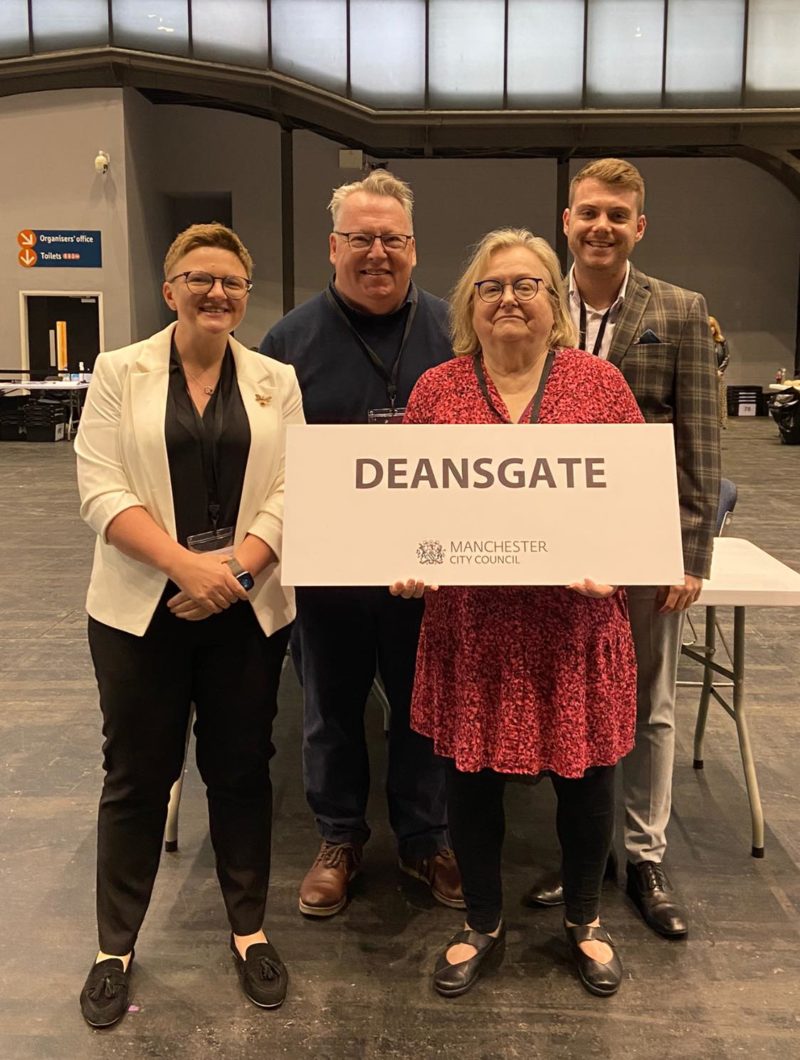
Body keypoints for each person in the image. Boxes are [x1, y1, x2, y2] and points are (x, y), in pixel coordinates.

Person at [392, 228, 644, 998]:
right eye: (492, 286)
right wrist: (405, 562)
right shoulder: (436, 390)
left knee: (587, 786)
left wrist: (619, 571)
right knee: (468, 786)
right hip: (472, 631)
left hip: (574, 632)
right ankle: (483, 921)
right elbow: (404, 509)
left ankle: (585, 922)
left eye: (527, 285)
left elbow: (635, 508)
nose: (509, 298)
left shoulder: (600, 385)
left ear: (553, 303)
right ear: (472, 303)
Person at [74, 223, 304, 1027]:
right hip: (143, 611)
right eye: (199, 279)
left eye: (232, 282)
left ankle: (249, 930)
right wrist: (187, 566)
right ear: (169, 288)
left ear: (246, 295)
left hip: (246, 609)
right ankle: (114, 947)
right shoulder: (117, 372)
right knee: (137, 776)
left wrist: (236, 571)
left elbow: (293, 489)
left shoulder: (277, 379)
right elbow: (100, 490)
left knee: (242, 771)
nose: (217, 294)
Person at [525, 158, 720, 939]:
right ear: (565, 222)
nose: (600, 226)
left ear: (639, 227)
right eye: (588, 213)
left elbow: (702, 441)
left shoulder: (679, 311)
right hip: (551, 542)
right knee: (573, 695)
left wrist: (691, 550)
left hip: (642, 545)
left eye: (617, 215)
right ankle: (585, 853)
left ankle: (643, 854)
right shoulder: (537, 306)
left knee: (650, 703)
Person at [259, 170, 461, 917]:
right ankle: (340, 838)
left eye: (393, 239)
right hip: (331, 571)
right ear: (332, 248)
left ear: (413, 247)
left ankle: (425, 840)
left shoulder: (453, 329)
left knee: (424, 709)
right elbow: (270, 461)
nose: (377, 253)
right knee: (331, 710)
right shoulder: (288, 341)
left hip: (433, 569)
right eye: (361, 239)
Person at [709, 315, 730, 429]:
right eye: (708, 326)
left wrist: (720, 370)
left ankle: (720, 423)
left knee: (720, 400)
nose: (711, 329)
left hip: (719, 375)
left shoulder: (721, 341)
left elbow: (727, 357)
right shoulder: (702, 341)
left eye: (712, 326)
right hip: (707, 375)